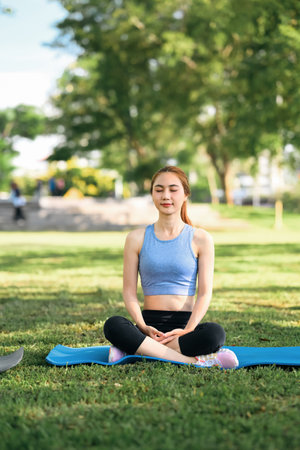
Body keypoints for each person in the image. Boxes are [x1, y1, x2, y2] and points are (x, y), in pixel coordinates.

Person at [104, 166, 238, 369]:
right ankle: (192, 361)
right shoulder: (136, 238)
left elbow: (204, 294)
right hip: (148, 327)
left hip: (184, 329)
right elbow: (129, 293)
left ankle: (136, 350)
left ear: (185, 194)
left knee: (215, 334)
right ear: (152, 194)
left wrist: (189, 329)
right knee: (113, 325)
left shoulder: (201, 238)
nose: (166, 195)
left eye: (173, 189)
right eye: (159, 189)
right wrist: (141, 326)